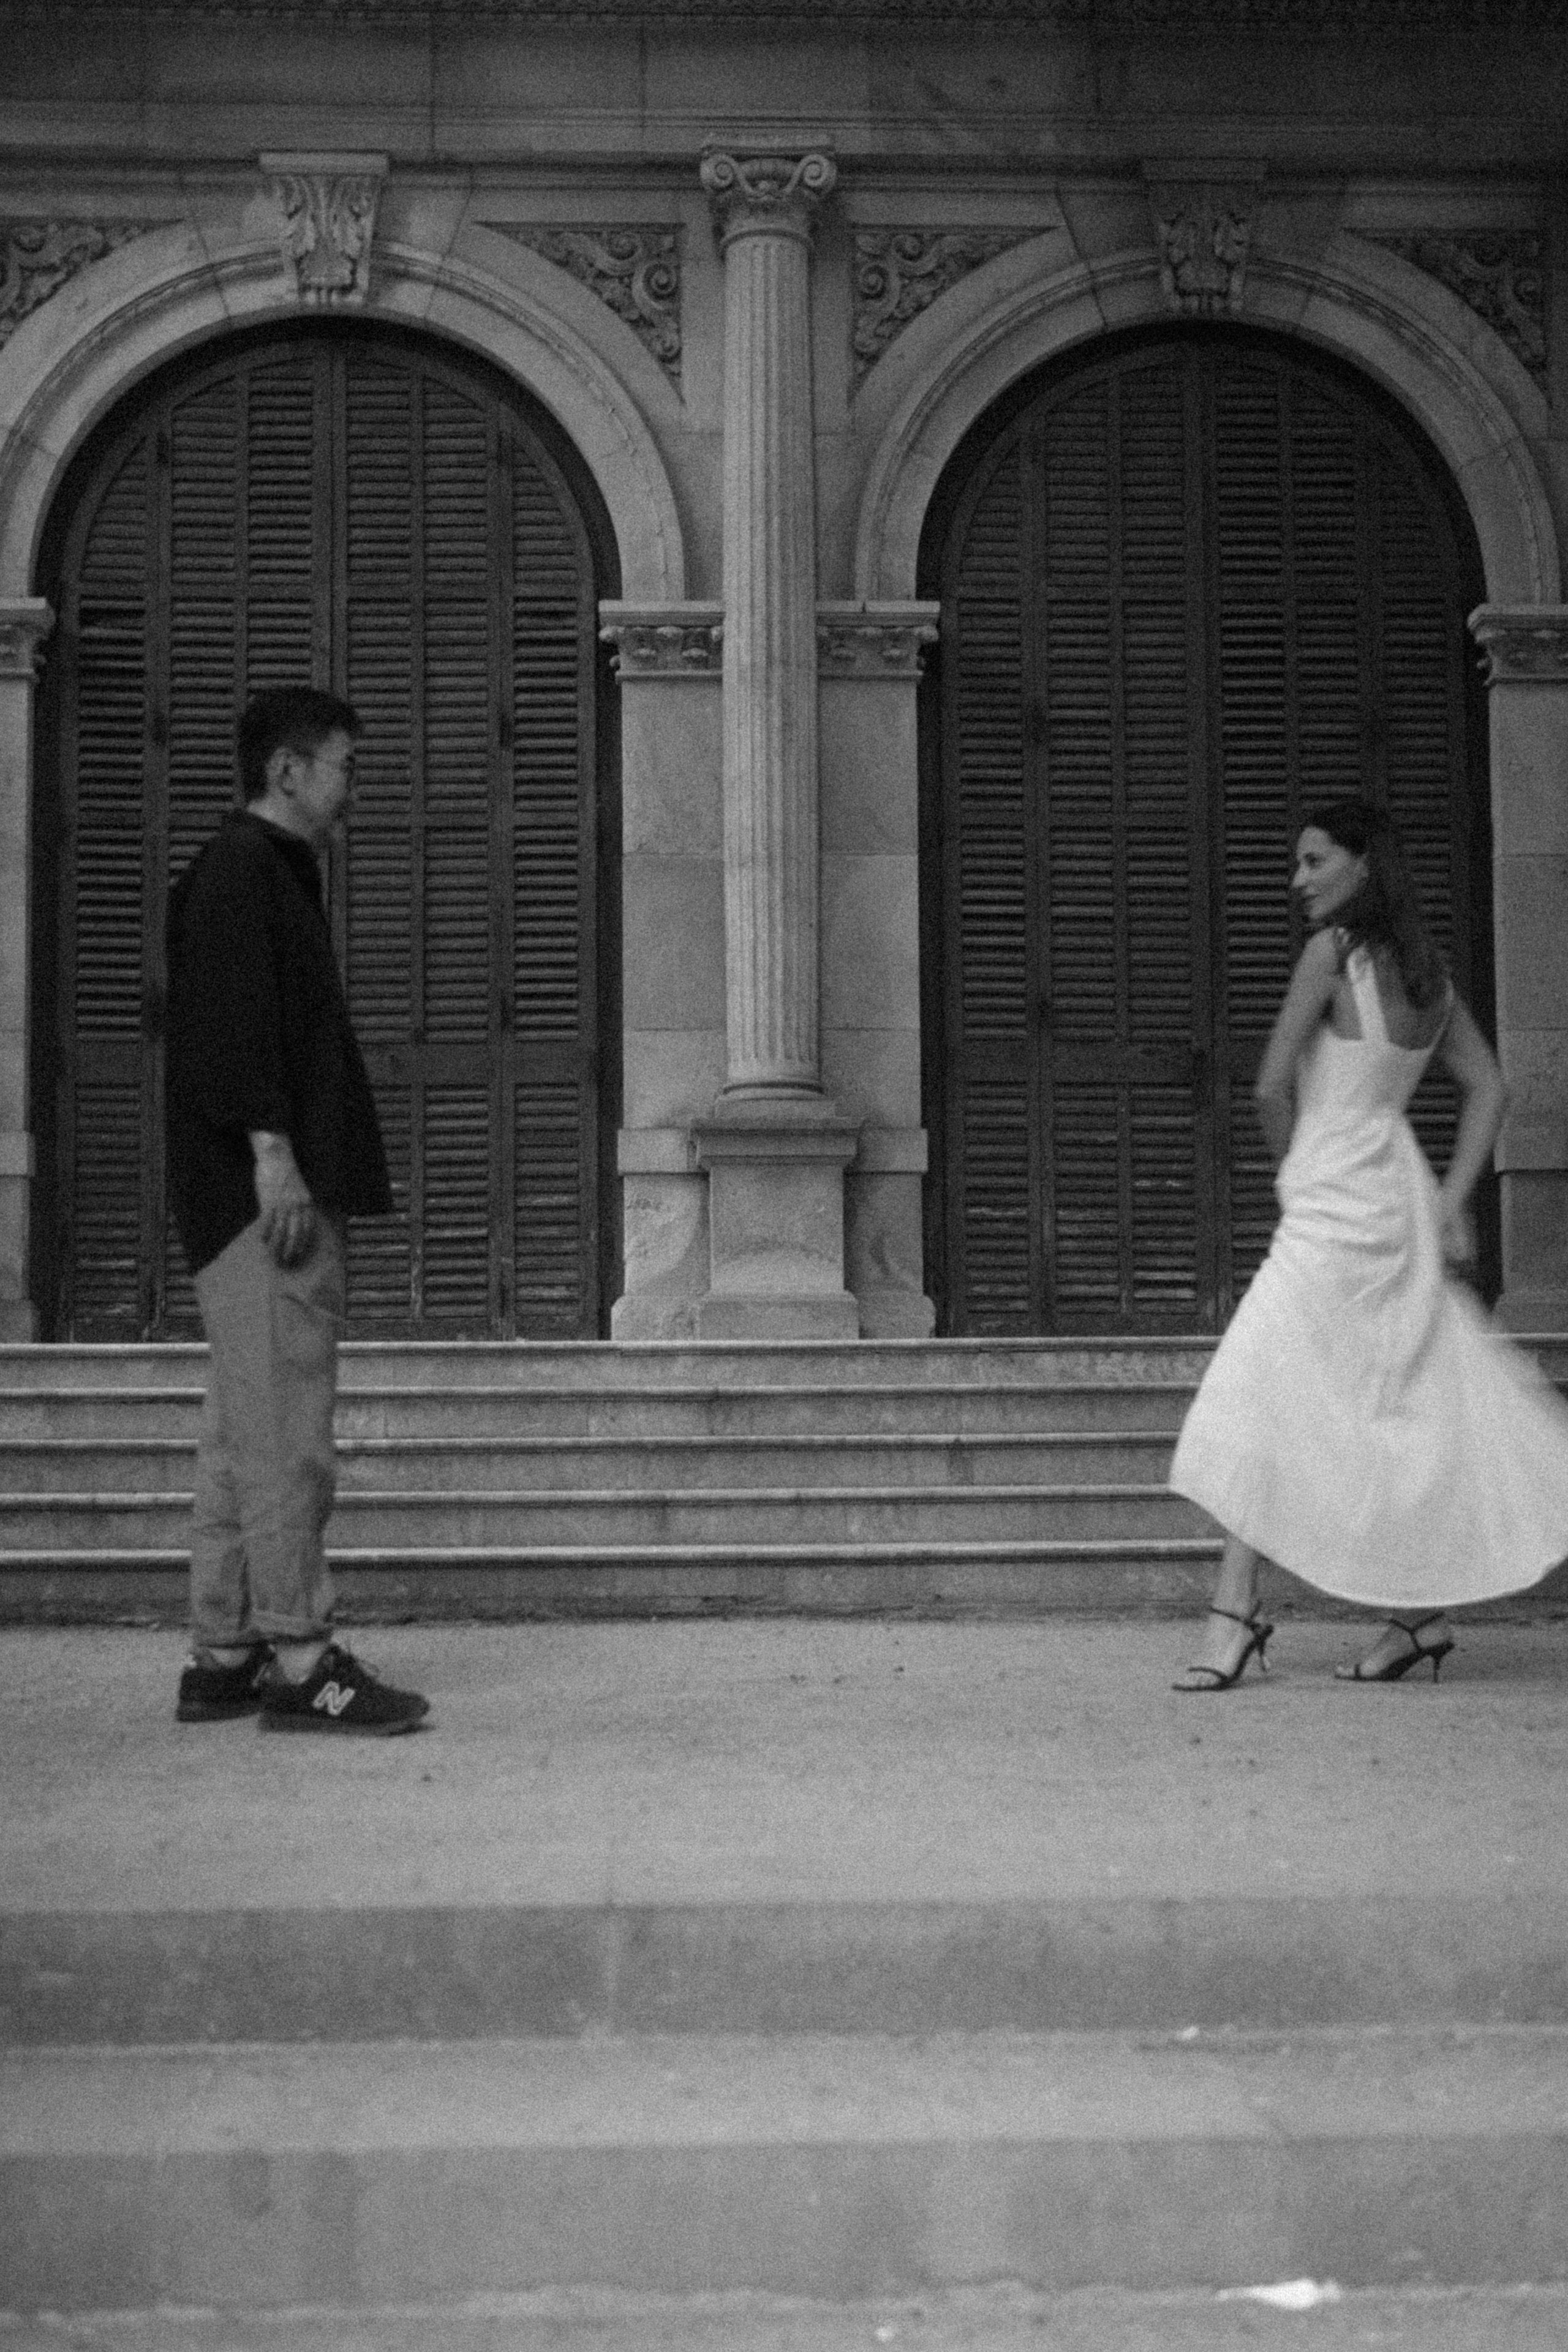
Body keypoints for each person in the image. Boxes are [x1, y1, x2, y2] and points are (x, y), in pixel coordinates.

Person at [1169, 796, 1568, 1691]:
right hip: (1396, 1197)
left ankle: (1235, 1616)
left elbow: (1272, 1087)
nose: (1298, 878)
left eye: (1315, 861)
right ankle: (1416, 1623)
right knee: (1386, 1401)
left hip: (1331, 1201)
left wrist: (1294, 1175)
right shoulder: (1430, 977)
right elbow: (1492, 1088)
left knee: (1258, 1387)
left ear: (1362, 866)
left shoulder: (1331, 957)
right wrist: (1451, 1201)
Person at [165, 685, 429, 1734]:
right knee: (287, 1441)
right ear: (288, 769)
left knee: (242, 1435)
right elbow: (233, 1031)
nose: (351, 786)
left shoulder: (263, 873)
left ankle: (223, 1655)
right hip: (262, 1200)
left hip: (249, 1193)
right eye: (343, 765)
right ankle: (303, 1658)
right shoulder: (241, 874)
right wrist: (274, 1157)